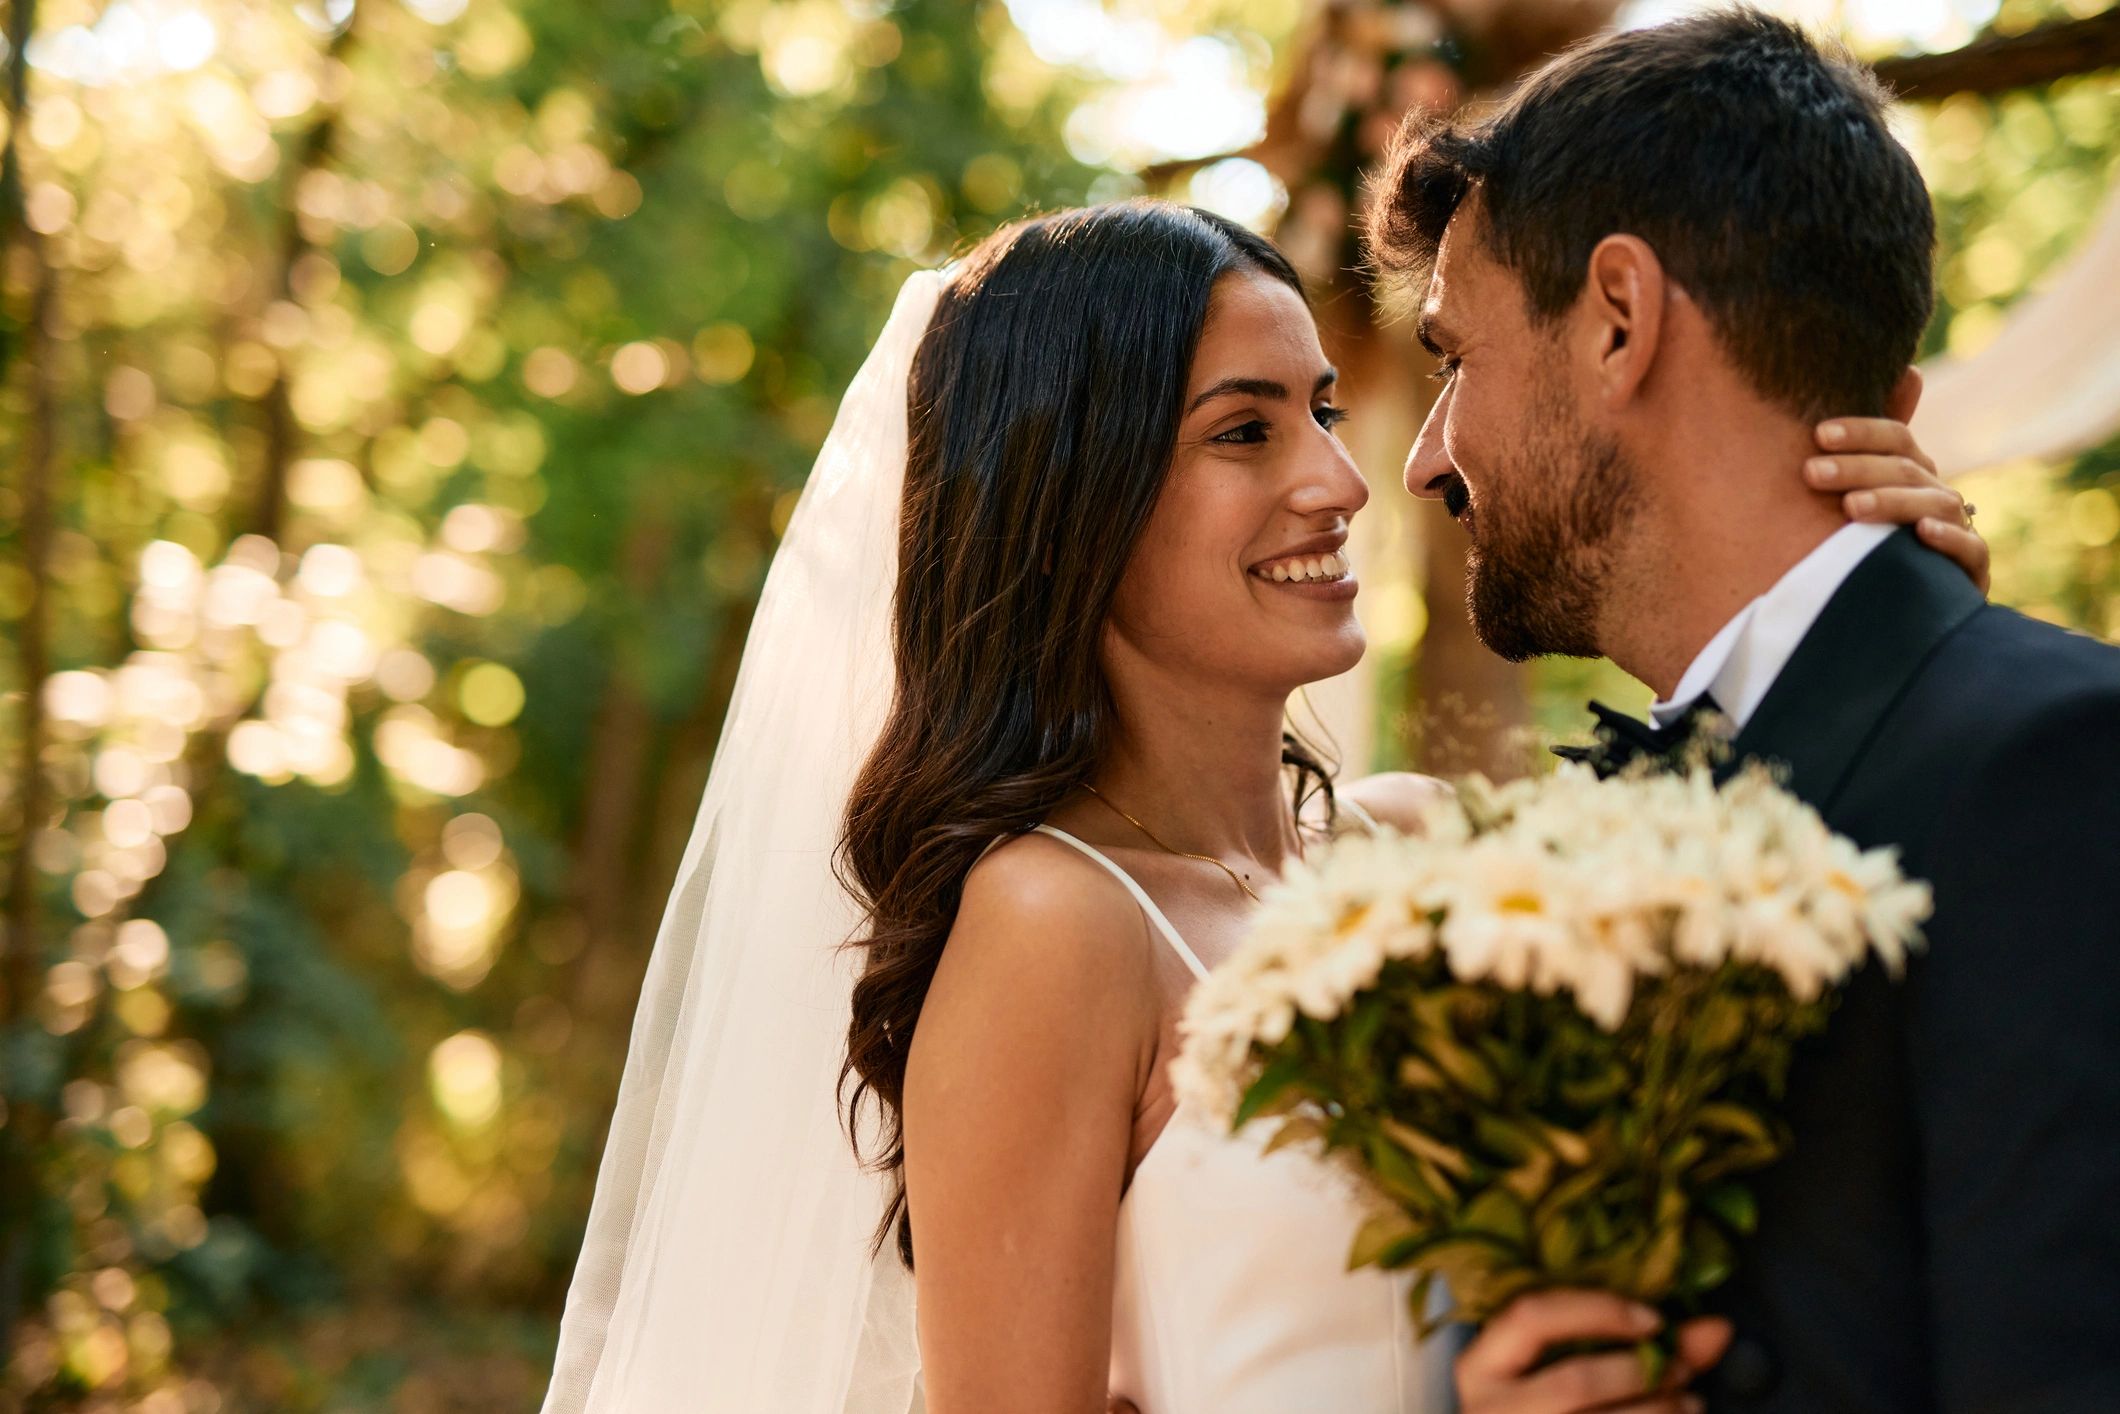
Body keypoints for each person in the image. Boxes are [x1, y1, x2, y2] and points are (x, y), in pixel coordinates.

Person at [539, 195, 1983, 1412]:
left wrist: (1883, 617)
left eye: (1327, 411)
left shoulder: (1424, 844)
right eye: (1245, 432)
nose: (1344, 482)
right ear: (1073, 494)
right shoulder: (1055, 926)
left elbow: (1813, 971)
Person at [1371, 8, 2120, 1411]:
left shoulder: (2057, 767)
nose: (1423, 460)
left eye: (1453, 358)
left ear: (1618, 317)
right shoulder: (1595, 838)